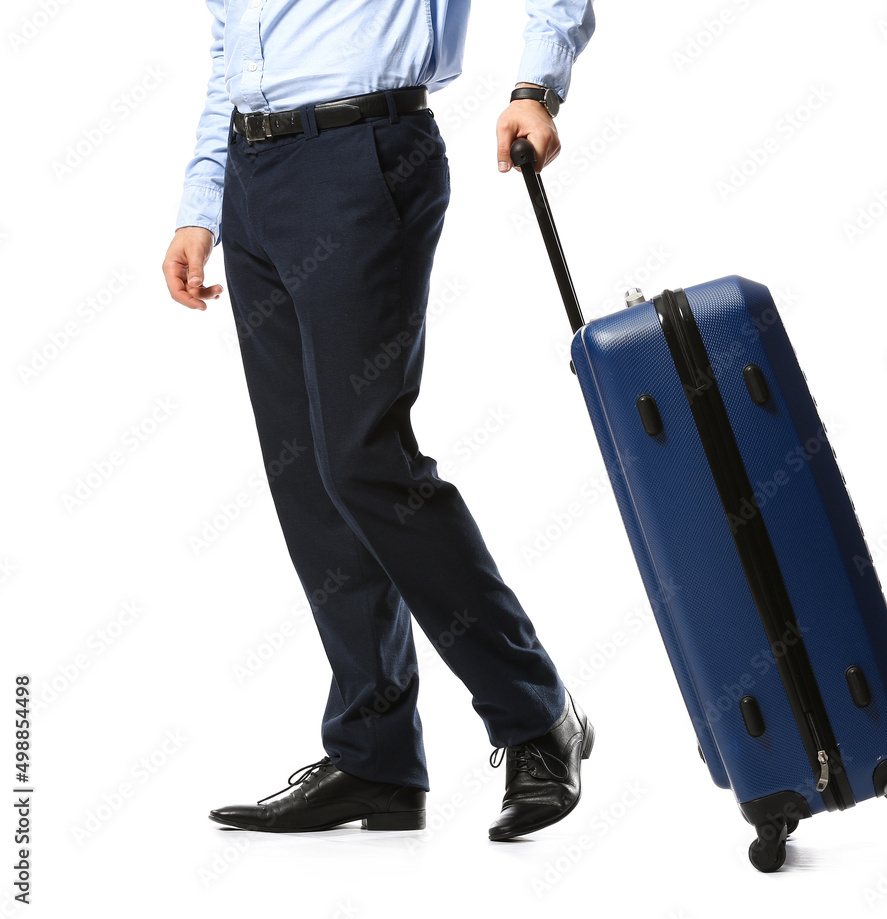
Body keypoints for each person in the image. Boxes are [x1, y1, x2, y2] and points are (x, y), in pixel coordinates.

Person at [161, 0, 596, 841]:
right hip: (252, 175)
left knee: (363, 458)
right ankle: (375, 755)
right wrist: (201, 203)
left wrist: (536, 87)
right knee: (306, 474)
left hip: (361, 155)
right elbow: (229, 50)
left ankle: (539, 714)